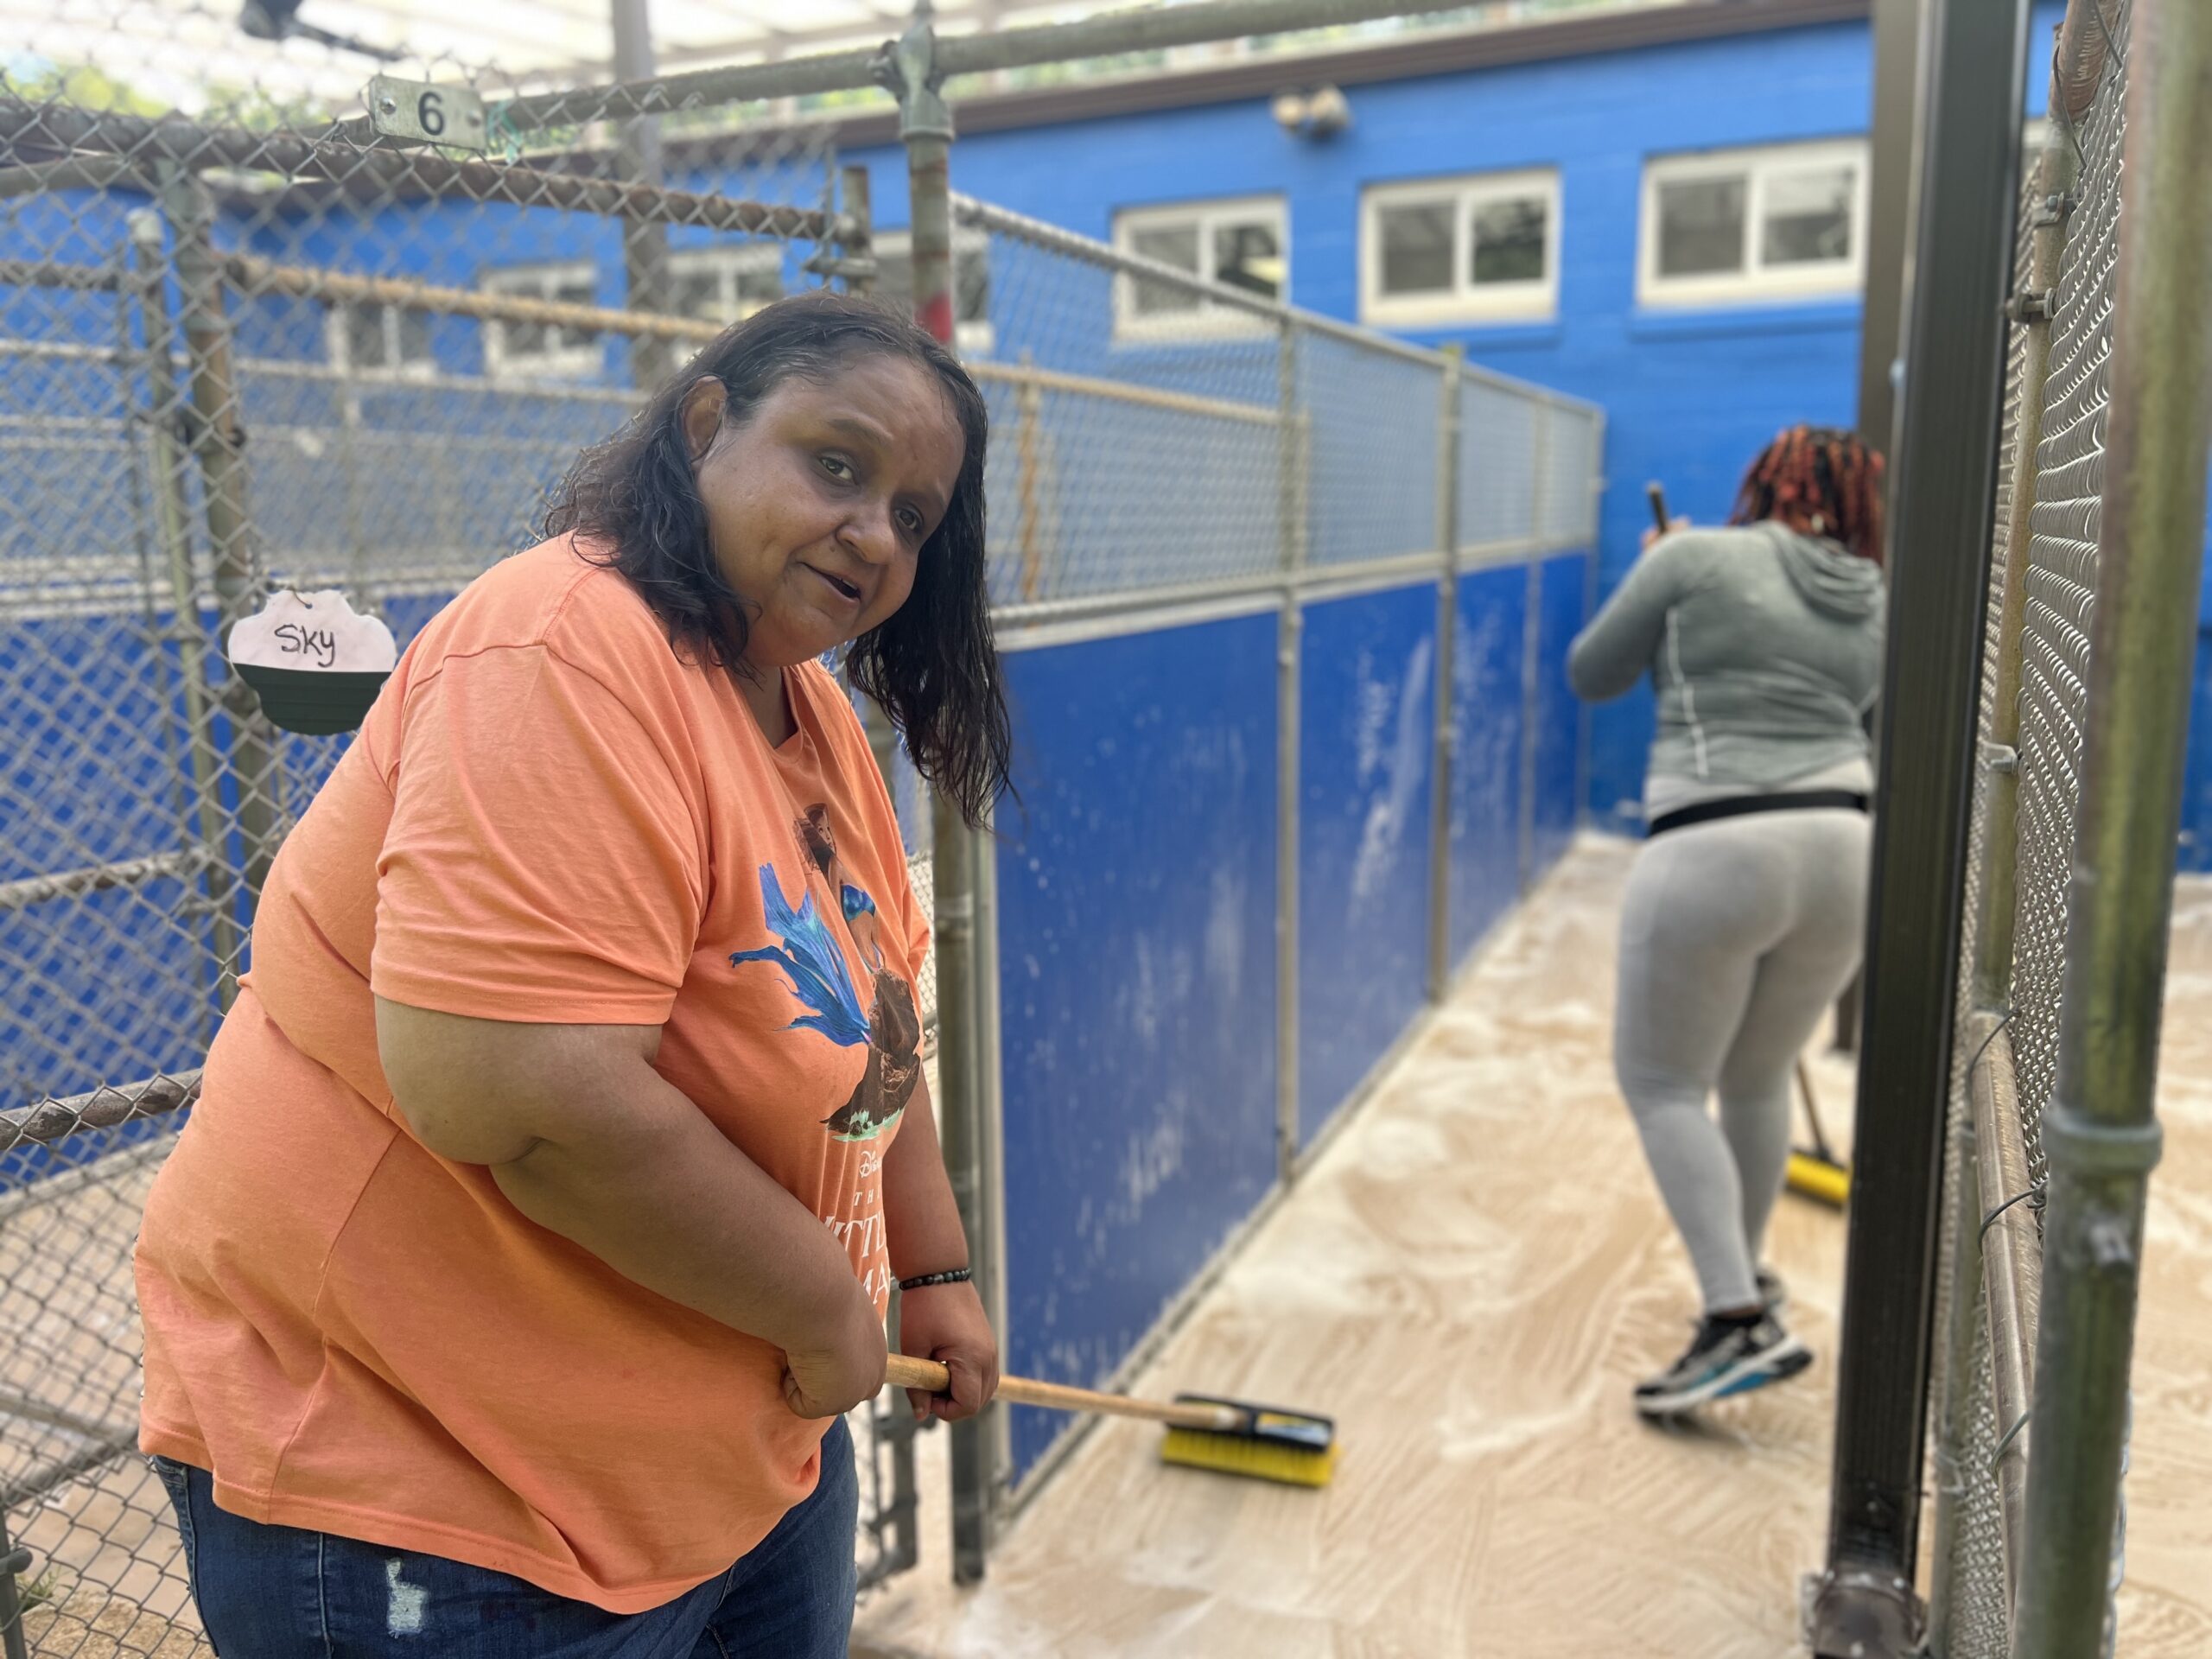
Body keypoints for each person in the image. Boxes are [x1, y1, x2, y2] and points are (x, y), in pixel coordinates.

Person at [133, 293, 1008, 1654]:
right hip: (438, 1484)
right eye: (838, 465)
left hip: (730, 1443)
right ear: (707, 423)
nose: (876, 533)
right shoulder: (560, 645)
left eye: (914, 514)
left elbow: (879, 1031)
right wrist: (826, 1303)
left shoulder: (813, 711)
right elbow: (525, 1100)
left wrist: (931, 1267)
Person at [1567, 426, 1885, 1420]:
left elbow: (1593, 672)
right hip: (1842, 851)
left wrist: (1658, 578)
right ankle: (1744, 1275)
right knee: (1753, 1076)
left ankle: (1736, 1314)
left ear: (1764, 482)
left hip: (1712, 845)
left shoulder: (1697, 557)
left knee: (1662, 1083)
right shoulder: (1875, 596)